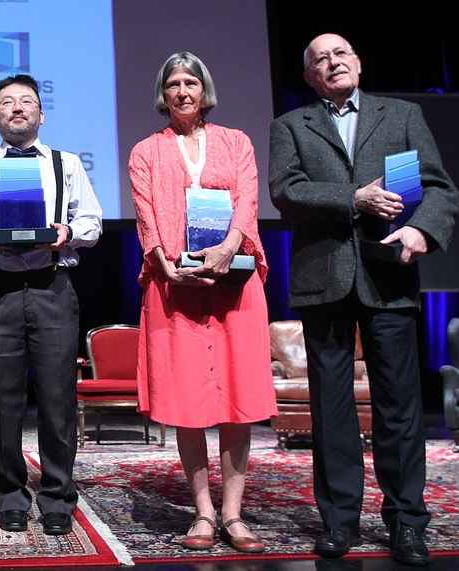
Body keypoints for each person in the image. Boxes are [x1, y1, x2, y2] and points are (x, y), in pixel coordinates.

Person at [269, 33, 459, 566]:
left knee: (399, 408)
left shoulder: (399, 115)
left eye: (341, 54)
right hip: (322, 279)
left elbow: (439, 188)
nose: (332, 63)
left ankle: (406, 523)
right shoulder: (291, 126)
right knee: (331, 411)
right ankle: (338, 521)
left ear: (358, 62)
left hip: (389, 278)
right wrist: (354, 198)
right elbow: (286, 189)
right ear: (309, 77)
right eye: (319, 60)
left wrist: (423, 230)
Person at [128, 52, 277, 553]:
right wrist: (160, 259)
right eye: (174, 83)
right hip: (175, 286)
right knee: (188, 403)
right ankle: (204, 514)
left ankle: (234, 515)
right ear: (163, 94)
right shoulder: (145, 151)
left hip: (234, 286)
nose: (183, 91)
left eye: (192, 81)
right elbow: (145, 212)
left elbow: (250, 201)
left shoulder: (237, 142)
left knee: (239, 401)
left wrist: (230, 247)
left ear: (205, 89)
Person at [0, 73, 102, 536]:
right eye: (7, 103)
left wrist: (68, 233)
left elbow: (93, 221)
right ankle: (11, 495)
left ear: (41, 113)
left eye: (26, 102)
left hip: (52, 288)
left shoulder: (68, 163)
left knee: (59, 398)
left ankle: (58, 496)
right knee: (2, 400)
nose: (17, 108)